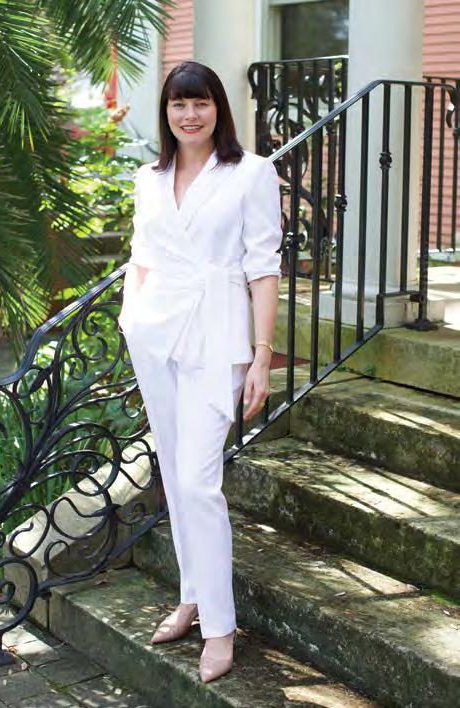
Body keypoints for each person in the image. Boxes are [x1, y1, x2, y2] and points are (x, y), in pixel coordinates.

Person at [118, 61, 282, 683]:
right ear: (166, 112)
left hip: (217, 338)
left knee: (197, 480)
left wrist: (262, 354)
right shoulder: (150, 178)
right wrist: (132, 320)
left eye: (201, 103)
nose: (190, 115)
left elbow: (263, 267)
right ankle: (191, 595)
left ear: (219, 109)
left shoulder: (251, 173)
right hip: (156, 337)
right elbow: (141, 255)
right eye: (179, 104)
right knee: (174, 473)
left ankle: (219, 624)